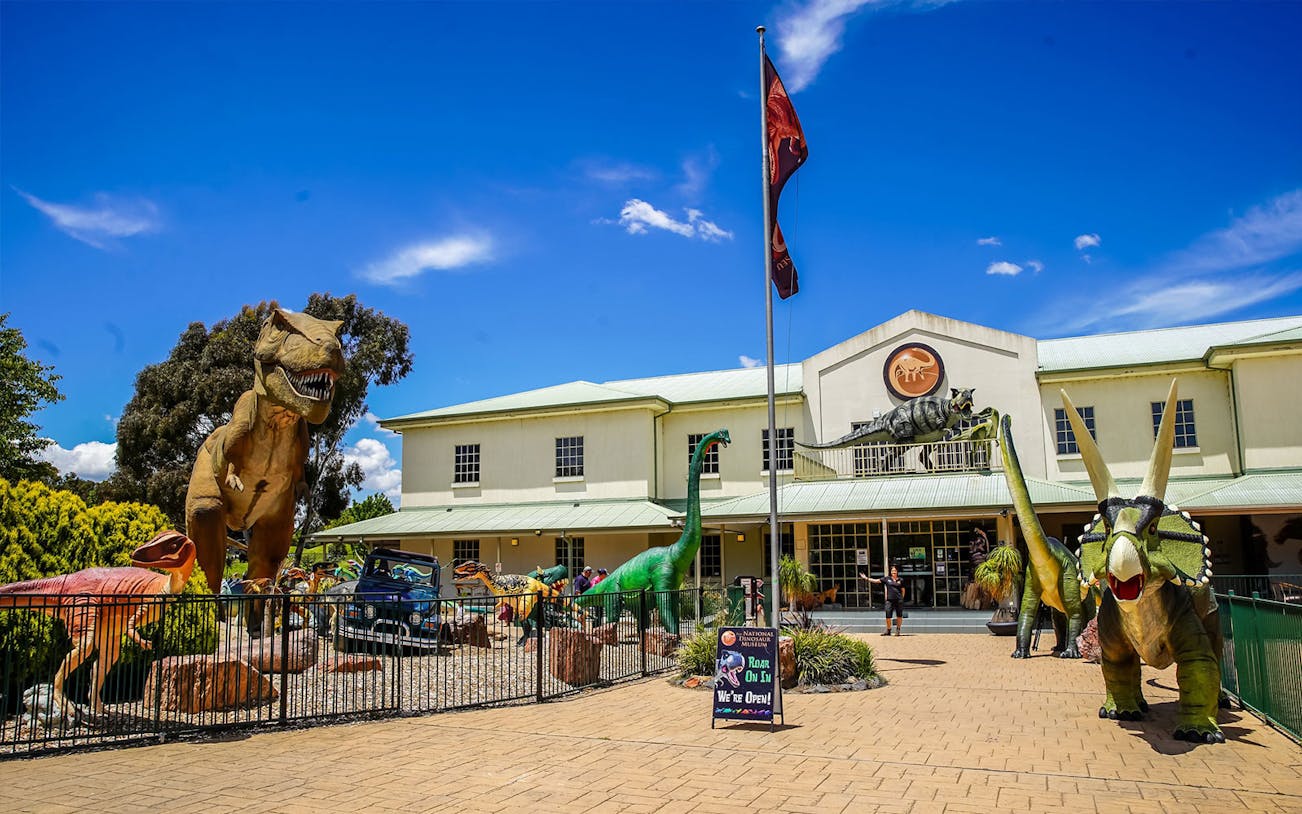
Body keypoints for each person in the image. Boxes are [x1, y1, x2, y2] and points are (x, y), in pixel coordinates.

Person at [860, 565, 906, 636]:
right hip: (889, 600)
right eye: (892, 570)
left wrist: (901, 598)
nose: (893, 572)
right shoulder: (887, 579)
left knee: (899, 616)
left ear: (897, 571)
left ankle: (898, 629)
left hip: (898, 600)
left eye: (895, 570)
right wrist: (866, 578)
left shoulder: (901, 580)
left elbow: (903, 590)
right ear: (890, 572)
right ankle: (888, 630)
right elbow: (876, 581)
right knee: (888, 616)